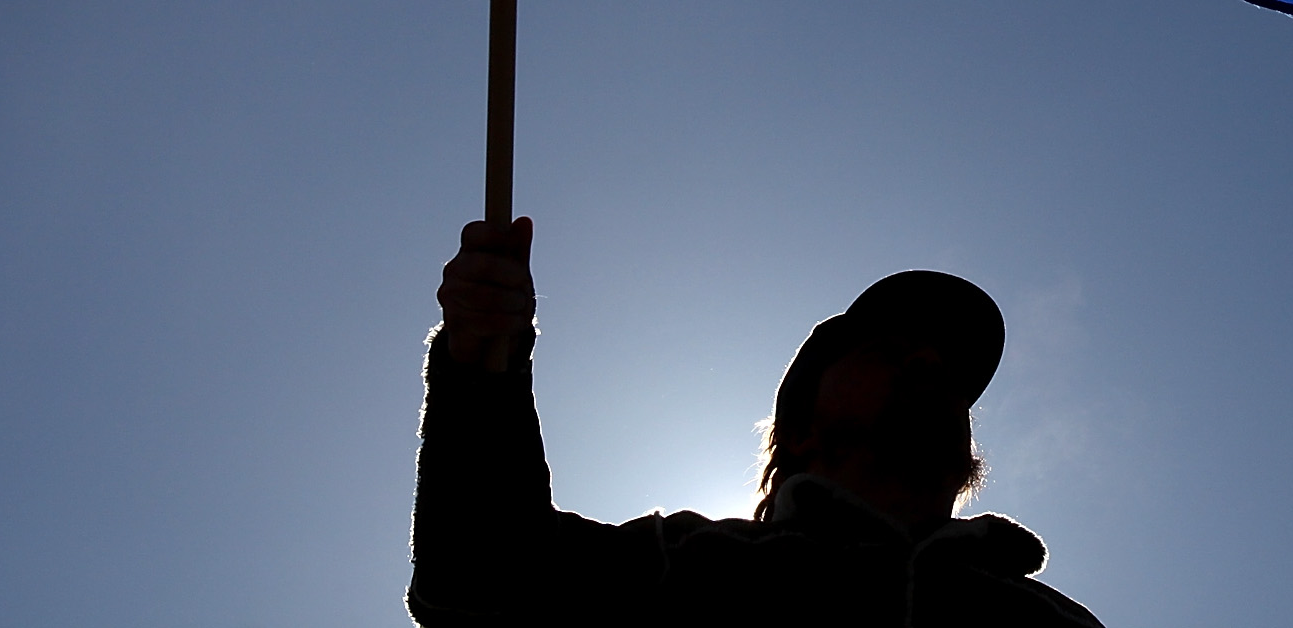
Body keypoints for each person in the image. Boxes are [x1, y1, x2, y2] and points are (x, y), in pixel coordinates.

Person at [410, 218, 1106, 628]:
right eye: (887, 351)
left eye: (947, 373)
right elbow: (484, 572)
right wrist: (479, 364)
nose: (927, 363)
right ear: (801, 432)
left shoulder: (1055, 625)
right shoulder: (683, 566)